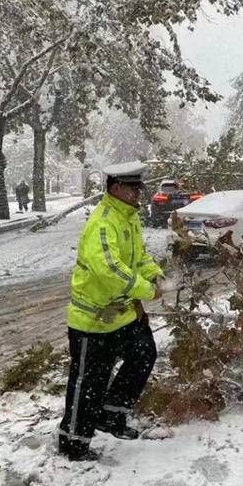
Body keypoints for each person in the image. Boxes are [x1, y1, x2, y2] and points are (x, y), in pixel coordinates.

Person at [58, 161, 163, 462]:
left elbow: (139, 257)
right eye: (133, 188)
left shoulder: (128, 218)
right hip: (94, 320)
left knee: (144, 354)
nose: (138, 193)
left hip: (122, 314)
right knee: (88, 382)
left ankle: (111, 415)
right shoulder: (103, 223)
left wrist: (156, 276)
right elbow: (111, 271)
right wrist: (145, 290)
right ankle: (73, 442)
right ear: (116, 188)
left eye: (139, 188)